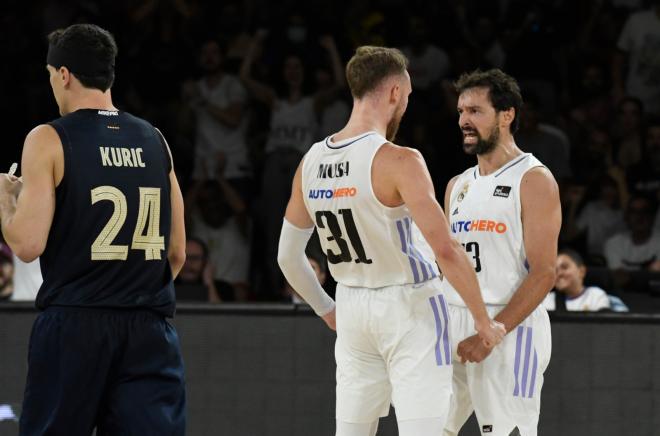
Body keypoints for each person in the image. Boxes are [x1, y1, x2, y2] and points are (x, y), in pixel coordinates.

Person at [277, 46, 506, 436]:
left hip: (351, 304)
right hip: (410, 307)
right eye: (409, 96)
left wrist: (326, 308)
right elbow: (446, 250)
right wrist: (484, 322)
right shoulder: (400, 160)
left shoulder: (310, 161)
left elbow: (287, 257)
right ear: (395, 93)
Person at [0, 24, 186, 435]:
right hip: (149, 328)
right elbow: (177, 254)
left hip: (75, 324)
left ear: (63, 74)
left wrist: (6, 199)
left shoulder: (48, 138)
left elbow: (28, 245)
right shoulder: (155, 140)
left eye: (50, 76)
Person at [442, 69, 561, 436]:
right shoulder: (456, 186)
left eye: (476, 111)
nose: (464, 120)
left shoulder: (533, 179)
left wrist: (493, 330)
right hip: (456, 324)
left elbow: (544, 272)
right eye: (461, 111)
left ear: (506, 115)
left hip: (512, 329)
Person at [543, 249, 612, 312]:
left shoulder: (595, 295)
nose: (559, 274)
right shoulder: (547, 300)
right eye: (555, 270)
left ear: (582, 271)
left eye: (564, 267)